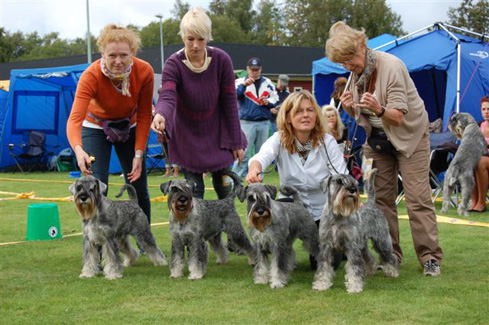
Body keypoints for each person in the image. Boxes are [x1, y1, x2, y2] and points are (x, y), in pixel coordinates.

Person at [327, 21, 443, 276]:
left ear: (363, 45)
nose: (348, 66)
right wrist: (349, 107)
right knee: (381, 202)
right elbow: (362, 116)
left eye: (350, 59)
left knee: (417, 200)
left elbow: (398, 117)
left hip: (409, 137)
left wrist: (378, 108)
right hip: (378, 141)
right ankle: (391, 256)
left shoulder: (392, 66)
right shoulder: (355, 74)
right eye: (343, 63)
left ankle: (430, 257)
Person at [246, 90, 348, 268]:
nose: (306, 115)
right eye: (299, 111)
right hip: (290, 208)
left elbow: (340, 174)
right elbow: (261, 157)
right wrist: (255, 169)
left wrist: (347, 196)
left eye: (310, 110)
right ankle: (278, 251)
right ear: (287, 117)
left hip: (322, 210)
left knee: (326, 263)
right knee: (271, 232)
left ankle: (339, 246)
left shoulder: (327, 142)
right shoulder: (278, 139)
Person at [152, 8, 246, 199]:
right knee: (195, 194)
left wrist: (236, 141)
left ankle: (228, 228)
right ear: (183, 37)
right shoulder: (173, 64)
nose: (195, 45)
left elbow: (230, 104)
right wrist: (160, 114)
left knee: (225, 191)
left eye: (201, 39)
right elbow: (168, 95)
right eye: (190, 38)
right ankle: (201, 230)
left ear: (208, 37)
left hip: (218, 135)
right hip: (187, 138)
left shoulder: (222, 60)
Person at [67, 24, 153, 222]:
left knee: (138, 186)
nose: (118, 61)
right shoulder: (91, 75)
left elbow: (145, 115)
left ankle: (145, 241)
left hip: (129, 125)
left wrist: (139, 154)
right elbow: (74, 120)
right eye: (112, 55)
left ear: (132, 53)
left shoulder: (144, 71)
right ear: (102, 54)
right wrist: (79, 151)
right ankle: (97, 246)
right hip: (95, 127)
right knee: (96, 186)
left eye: (124, 55)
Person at [232, 57, 279, 178]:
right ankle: (235, 181)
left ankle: (258, 180)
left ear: (260, 69)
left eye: (256, 69)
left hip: (264, 122)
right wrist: (244, 85)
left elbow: (276, 99)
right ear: (247, 69)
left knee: (262, 153)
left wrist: (268, 102)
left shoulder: (268, 83)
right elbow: (233, 96)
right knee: (244, 153)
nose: (254, 72)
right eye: (252, 69)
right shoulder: (239, 82)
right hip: (246, 122)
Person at [470, 96, 489, 212]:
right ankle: (474, 201)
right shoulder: (479, 125)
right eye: (484, 109)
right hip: (481, 157)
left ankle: (482, 202)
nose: (486, 112)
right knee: (471, 160)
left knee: (479, 161)